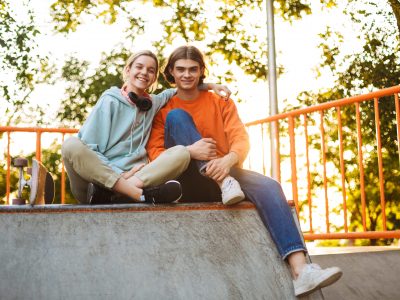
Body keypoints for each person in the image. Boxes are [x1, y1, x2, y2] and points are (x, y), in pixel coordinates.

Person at [146, 45, 343, 297]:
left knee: (270, 186)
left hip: (226, 176)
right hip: (185, 179)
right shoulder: (163, 108)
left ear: (201, 71)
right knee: (178, 119)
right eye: (181, 69)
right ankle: (222, 180)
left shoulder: (220, 101)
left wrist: (228, 160)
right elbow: (156, 155)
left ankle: (301, 271)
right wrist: (190, 152)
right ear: (171, 71)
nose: (187, 75)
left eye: (193, 69)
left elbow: (240, 138)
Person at [61, 50, 232, 205]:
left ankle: (124, 194)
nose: (144, 72)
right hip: (96, 184)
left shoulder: (152, 103)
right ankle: (135, 194)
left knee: (182, 152)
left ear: (154, 78)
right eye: (139, 67)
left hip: (138, 178)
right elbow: (90, 148)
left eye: (151, 70)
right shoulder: (109, 101)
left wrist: (210, 86)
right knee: (70, 145)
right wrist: (119, 175)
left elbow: (179, 88)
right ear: (128, 70)